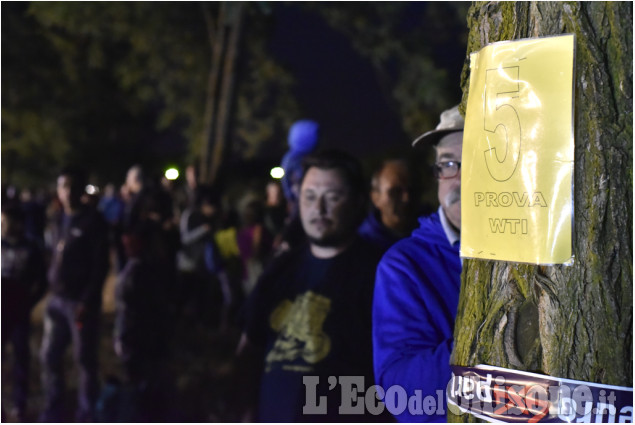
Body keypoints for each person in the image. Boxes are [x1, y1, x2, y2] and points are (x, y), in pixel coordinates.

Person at [236, 150, 386, 422]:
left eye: (332, 197)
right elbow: (250, 347)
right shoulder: (279, 269)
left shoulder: (381, 274)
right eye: (309, 196)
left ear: (357, 201)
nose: (318, 208)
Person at [372, 105, 464, 422]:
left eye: (481, 161)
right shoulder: (406, 265)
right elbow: (403, 393)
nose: (461, 180)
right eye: (449, 164)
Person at [39, 165, 110, 422]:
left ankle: (87, 412)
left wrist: (87, 300)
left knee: (84, 360)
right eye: (62, 186)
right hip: (56, 300)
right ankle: (54, 407)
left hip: (80, 303)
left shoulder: (93, 222)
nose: (66, 192)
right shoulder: (58, 219)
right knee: (49, 356)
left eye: (71, 186)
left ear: (81, 189)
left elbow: (100, 266)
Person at [1, 206, 47, 421]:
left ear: (17, 223)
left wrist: (29, 301)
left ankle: (20, 404)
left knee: (21, 358)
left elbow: (43, 281)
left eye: (4, 222)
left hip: (19, 312)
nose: (1, 227)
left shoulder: (31, 248)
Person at [358, 159, 418, 251]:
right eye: (395, 192)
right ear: (375, 198)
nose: (406, 199)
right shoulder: (362, 246)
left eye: (412, 190)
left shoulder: (433, 231)